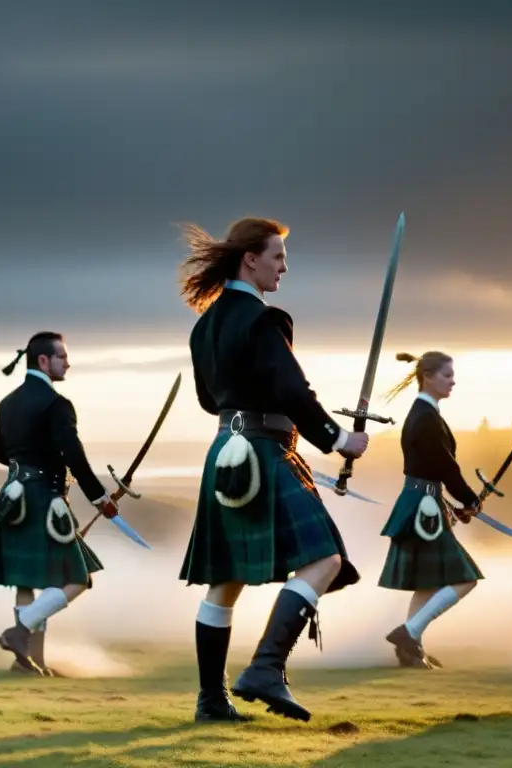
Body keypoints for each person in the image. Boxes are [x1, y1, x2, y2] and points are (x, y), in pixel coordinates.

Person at [177, 216, 369, 724]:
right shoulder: (265, 320)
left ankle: (211, 701)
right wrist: (339, 438)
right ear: (251, 259)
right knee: (324, 560)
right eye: (278, 256)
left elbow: (206, 399)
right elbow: (291, 390)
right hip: (265, 449)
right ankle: (266, 668)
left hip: (224, 448)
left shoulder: (204, 326)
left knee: (226, 579)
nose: (284, 267)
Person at [0, 332, 119, 676]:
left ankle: (29, 662)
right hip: (45, 501)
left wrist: (29, 456)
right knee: (78, 579)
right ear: (43, 361)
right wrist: (99, 497)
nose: (67, 363)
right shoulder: (57, 404)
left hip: (13, 496)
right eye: (62, 357)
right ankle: (19, 634)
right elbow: (74, 455)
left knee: (27, 581)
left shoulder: (7, 403)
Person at [377, 351, 484, 670]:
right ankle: (408, 634)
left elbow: (436, 468)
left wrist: (458, 505)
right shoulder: (425, 417)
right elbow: (445, 466)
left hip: (424, 502)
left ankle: (411, 650)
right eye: (447, 375)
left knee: (426, 584)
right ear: (427, 377)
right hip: (423, 506)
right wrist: (470, 499)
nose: (453, 381)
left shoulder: (425, 413)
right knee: (466, 579)